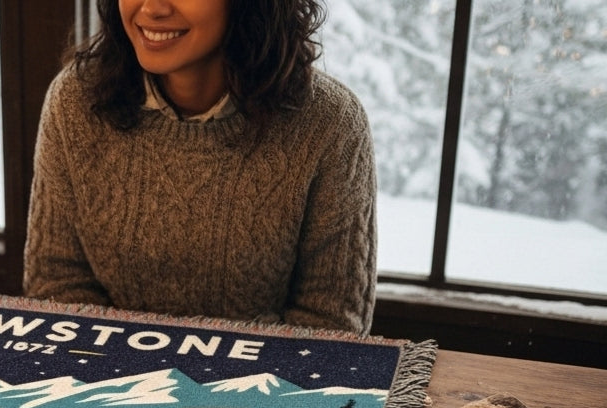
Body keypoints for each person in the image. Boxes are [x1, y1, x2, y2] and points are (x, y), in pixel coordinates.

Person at [23, 0, 378, 334]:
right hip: (100, 382)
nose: (152, 8)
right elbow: (57, 287)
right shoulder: (75, 101)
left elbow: (330, 327)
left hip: (264, 392)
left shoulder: (331, 124)